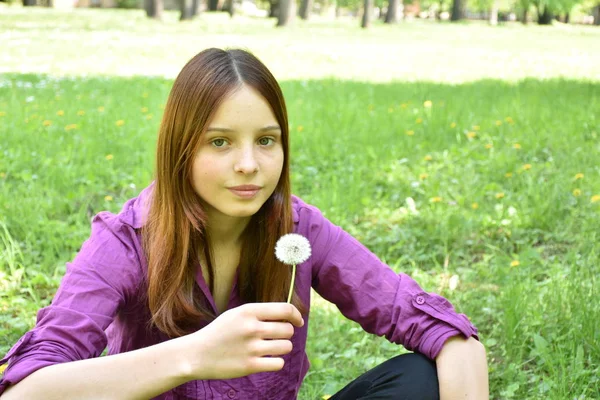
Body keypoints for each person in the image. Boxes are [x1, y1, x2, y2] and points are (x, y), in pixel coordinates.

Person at [0, 48, 488, 400]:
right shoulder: (128, 241)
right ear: (181, 148)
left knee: (418, 378)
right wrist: (195, 355)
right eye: (220, 142)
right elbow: (28, 391)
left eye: (267, 140)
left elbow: (441, 332)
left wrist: (455, 346)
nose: (249, 164)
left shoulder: (300, 230)